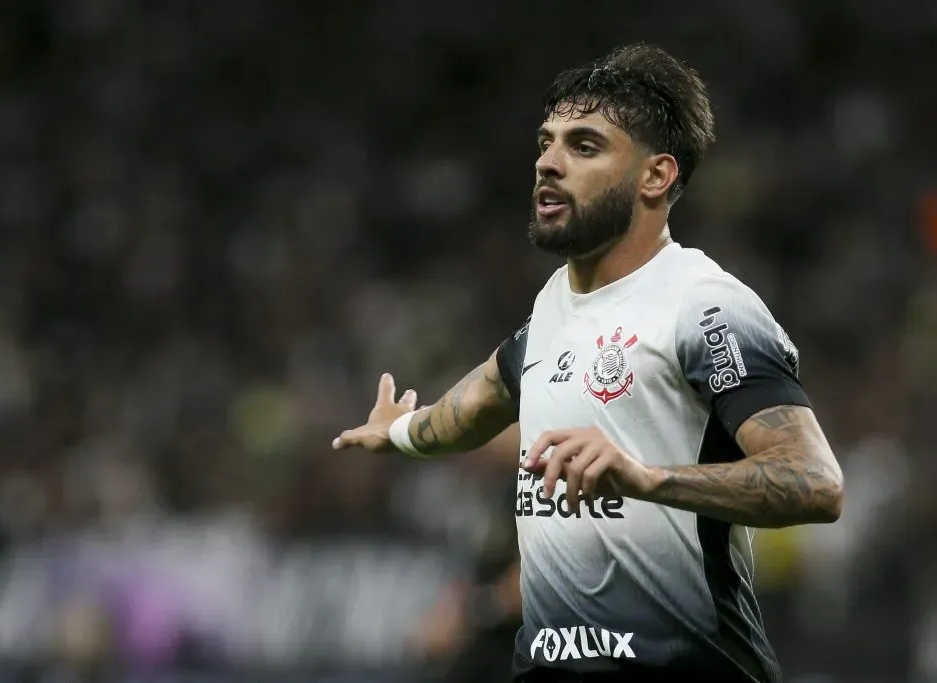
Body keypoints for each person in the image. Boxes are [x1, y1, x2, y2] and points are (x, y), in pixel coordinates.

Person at [333, 43, 844, 683]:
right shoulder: (552, 307)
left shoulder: (703, 304)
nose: (548, 163)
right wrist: (402, 434)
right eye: (546, 143)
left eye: (584, 146)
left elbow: (815, 482)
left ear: (655, 176)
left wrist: (649, 479)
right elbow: (474, 406)